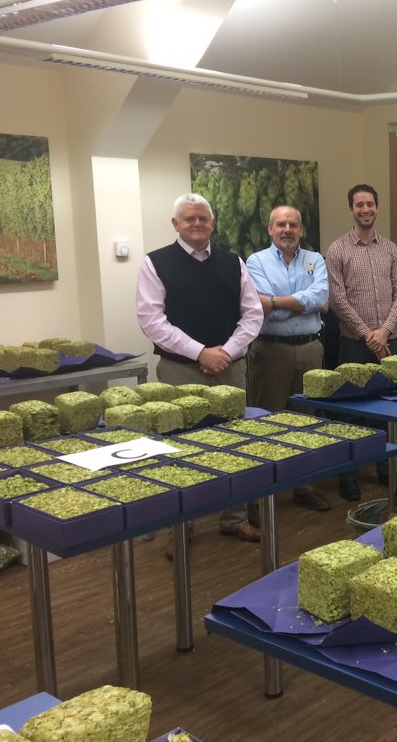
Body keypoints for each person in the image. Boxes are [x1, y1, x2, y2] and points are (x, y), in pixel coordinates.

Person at [136, 193, 264, 550]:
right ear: (176, 224)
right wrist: (200, 352)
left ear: (213, 224)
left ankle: (234, 518)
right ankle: (179, 528)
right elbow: (151, 320)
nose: (197, 224)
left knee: (235, 445)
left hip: (230, 368)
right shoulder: (155, 263)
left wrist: (226, 352)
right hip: (180, 371)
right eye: (189, 218)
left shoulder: (233, 262)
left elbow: (253, 314)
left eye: (203, 218)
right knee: (179, 449)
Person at [246, 205, 330, 511]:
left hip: (310, 349)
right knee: (266, 422)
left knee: (306, 422)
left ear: (301, 230)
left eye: (293, 225)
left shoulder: (315, 259)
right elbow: (259, 305)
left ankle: (303, 486)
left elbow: (320, 297)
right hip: (271, 351)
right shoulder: (256, 261)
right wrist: (301, 304)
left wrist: (275, 302)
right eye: (281, 224)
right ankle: (261, 497)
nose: (287, 230)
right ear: (270, 229)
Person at [326, 184, 397, 499]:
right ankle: (349, 475)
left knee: (387, 409)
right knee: (350, 412)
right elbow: (338, 300)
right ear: (351, 209)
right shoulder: (337, 250)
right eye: (359, 205)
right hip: (354, 344)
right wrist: (367, 334)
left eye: (370, 204)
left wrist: (384, 331)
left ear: (377, 207)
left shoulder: (390, 248)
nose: (365, 210)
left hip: (390, 343)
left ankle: (387, 469)